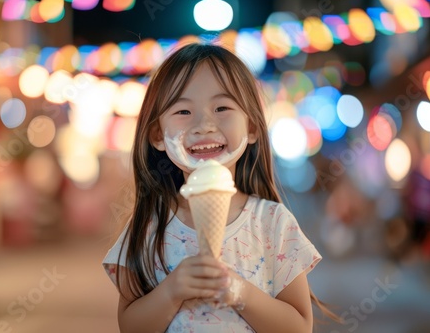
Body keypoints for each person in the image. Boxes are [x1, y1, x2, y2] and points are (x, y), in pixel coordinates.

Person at [103, 42, 333, 332]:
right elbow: (130, 326)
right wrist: (172, 291)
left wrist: (240, 292)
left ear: (251, 127)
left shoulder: (272, 223)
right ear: (157, 135)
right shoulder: (149, 226)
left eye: (222, 107)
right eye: (183, 111)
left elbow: (299, 327)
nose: (204, 124)